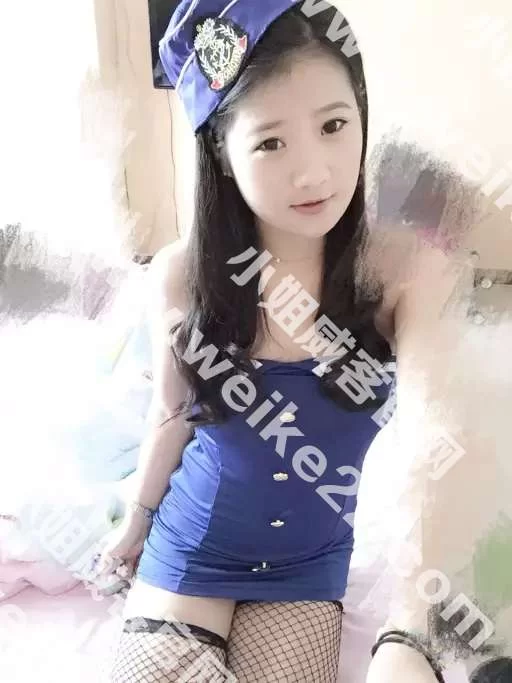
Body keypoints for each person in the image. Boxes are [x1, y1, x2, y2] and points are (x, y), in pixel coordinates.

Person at [96, 1, 471, 680]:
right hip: (192, 544)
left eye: (333, 125)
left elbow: (433, 439)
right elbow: (172, 412)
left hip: (306, 562)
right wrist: (136, 520)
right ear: (223, 152)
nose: (314, 172)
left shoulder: (403, 271)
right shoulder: (182, 272)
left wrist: (411, 630)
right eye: (271, 142)